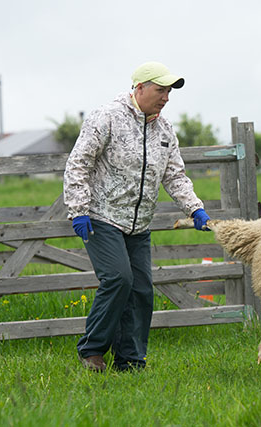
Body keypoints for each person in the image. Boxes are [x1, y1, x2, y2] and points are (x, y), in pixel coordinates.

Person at [63, 61, 211, 372]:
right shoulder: (106, 118)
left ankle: (130, 360)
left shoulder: (165, 130)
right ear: (139, 88)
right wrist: (78, 209)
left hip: (139, 224)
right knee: (118, 278)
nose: (166, 97)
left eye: (169, 92)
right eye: (161, 90)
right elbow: (78, 164)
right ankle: (92, 351)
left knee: (141, 290)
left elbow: (175, 175)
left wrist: (194, 208)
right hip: (102, 217)